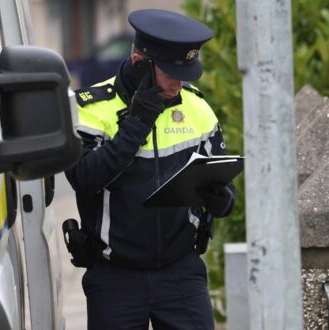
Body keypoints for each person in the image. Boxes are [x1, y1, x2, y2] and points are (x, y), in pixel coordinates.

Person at [65, 8, 236, 330]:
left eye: (184, 75)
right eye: (170, 75)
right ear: (140, 64)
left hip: (181, 272)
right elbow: (85, 178)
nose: (178, 85)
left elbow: (221, 178)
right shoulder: (89, 109)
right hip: (115, 276)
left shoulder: (196, 106)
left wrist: (223, 199)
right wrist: (138, 122)